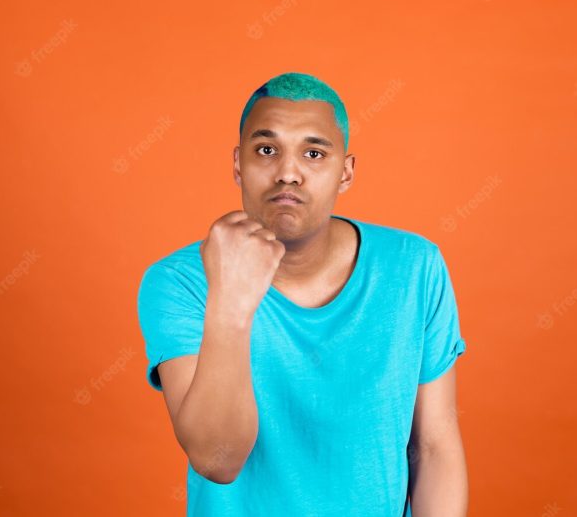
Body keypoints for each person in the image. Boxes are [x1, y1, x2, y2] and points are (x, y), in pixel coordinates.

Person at [136, 72, 468, 516]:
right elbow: (217, 460)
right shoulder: (179, 282)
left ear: (345, 173)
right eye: (266, 150)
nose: (287, 173)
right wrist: (231, 302)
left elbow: (433, 447)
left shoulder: (414, 267)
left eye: (313, 153)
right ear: (238, 164)